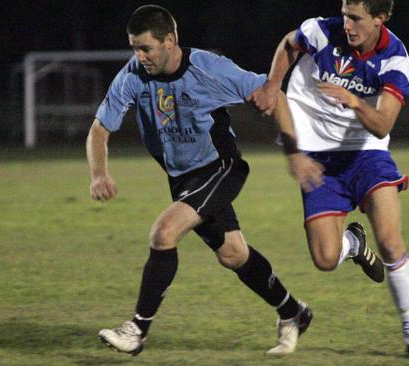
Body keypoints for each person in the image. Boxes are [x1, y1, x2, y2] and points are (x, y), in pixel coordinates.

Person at [87, 4, 326, 356]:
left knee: (163, 233)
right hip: (181, 178)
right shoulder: (133, 75)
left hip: (220, 168)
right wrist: (98, 173)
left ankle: (137, 330)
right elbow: (99, 129)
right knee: (233, 254)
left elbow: (276, 97)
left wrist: (293, 153)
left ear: (170, 41)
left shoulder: (208, 69)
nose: (140, 56)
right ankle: (293, 312)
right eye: (134, 48)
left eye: (146, 48)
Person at [249, 0, 409, 359]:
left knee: (391, 242)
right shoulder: (323, 31)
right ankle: (352, 243)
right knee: (324, 258)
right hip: (317, 156)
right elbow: (290, 43)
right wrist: (274, 84)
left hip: (367, 153)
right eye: (345, 14)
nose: (347, 24)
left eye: (356, 18)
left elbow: (382, 125)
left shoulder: (395, 59)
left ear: (379, 19)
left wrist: (353, 100)